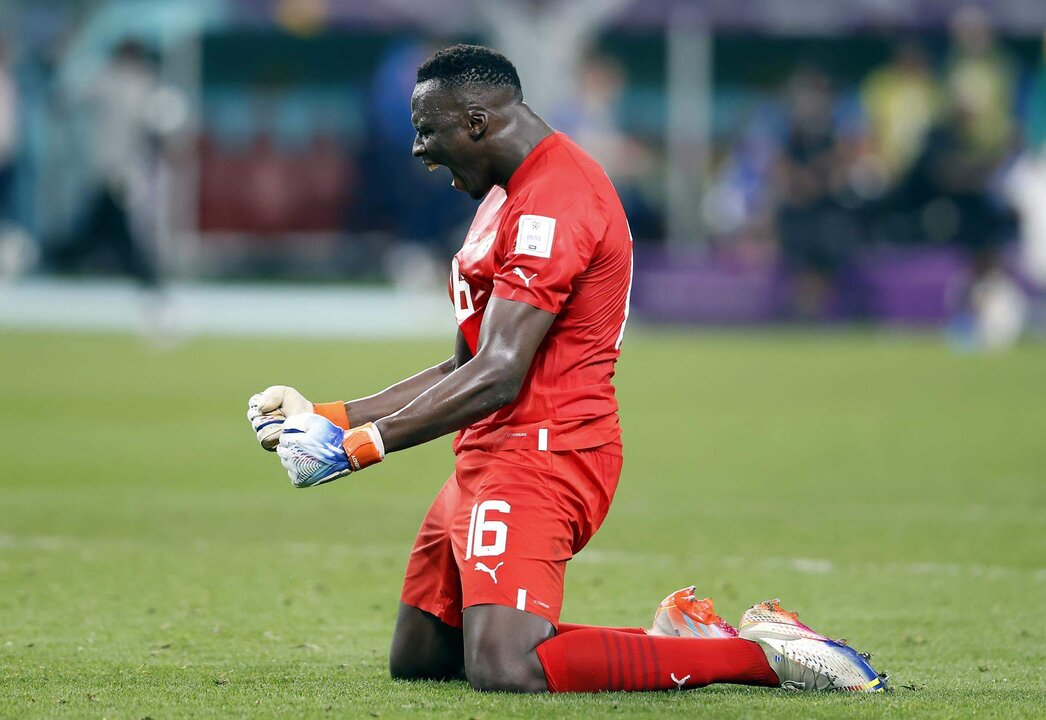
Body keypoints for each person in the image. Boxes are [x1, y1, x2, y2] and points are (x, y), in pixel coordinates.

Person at [246, 45, 886, 694]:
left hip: (545, 455)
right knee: (425, 656)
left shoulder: (556, 199)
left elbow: (500, 373)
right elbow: (466, 362)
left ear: (476, 121)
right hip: (488, 450)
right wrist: (327, 416)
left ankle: (759, 657)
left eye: (426, 131)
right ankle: (685, 641)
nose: (418, 149)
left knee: (506, 666)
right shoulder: (506, 193)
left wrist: (357, 448)